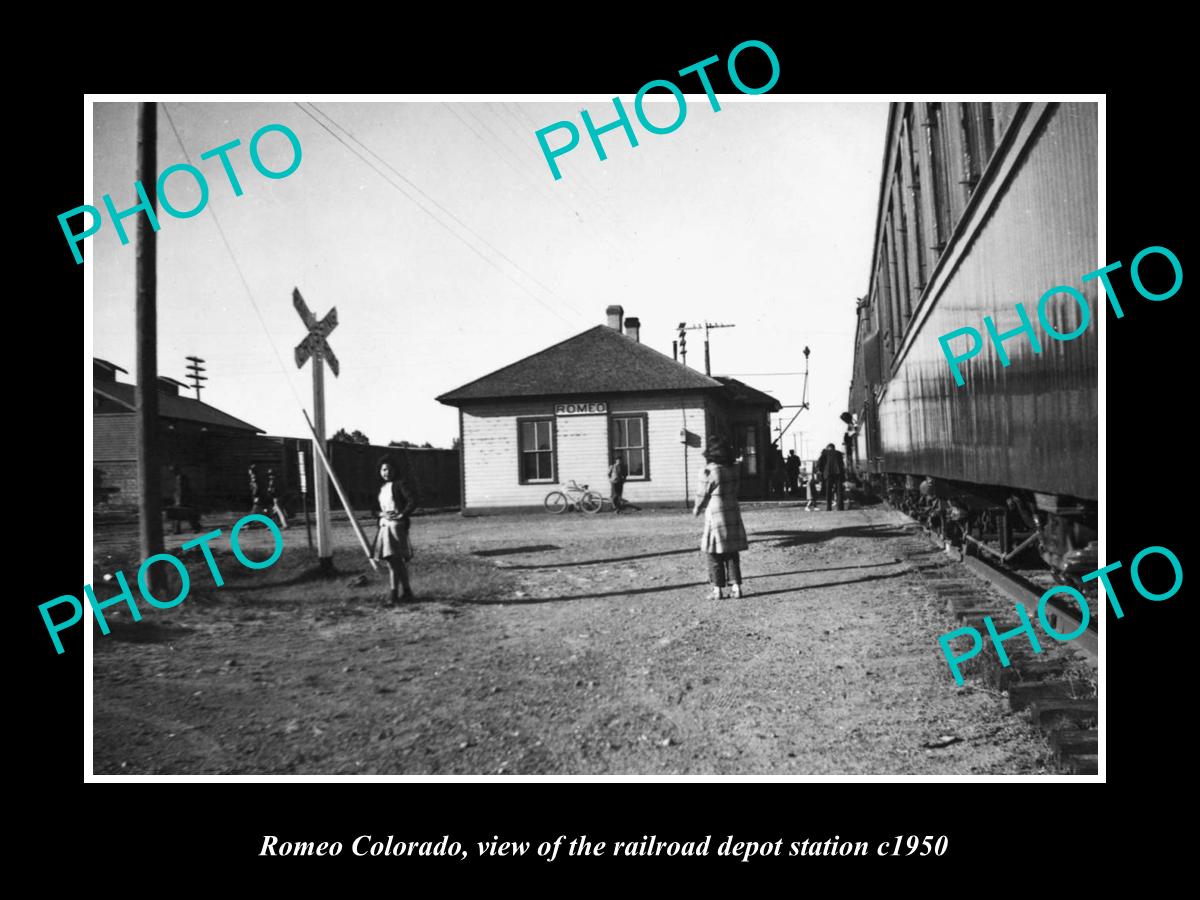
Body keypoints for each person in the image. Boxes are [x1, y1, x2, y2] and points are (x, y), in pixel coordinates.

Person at [693, 436, 749, 600]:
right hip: (732, 508)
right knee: (732, 552)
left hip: (716, 511)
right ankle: (737, 587)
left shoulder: (709, 471)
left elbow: (702, 494)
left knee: (714, 552)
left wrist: (697, 508)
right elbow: (737, 488)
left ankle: (717, 590)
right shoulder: (733, 469)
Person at [372, 455, 418, 605]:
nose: (386, 472)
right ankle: (407, 592)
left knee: (394, 561)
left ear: (395, 471)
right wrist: (381, 514)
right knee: (395, 562)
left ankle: (393, 596)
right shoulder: (380, 488)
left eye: (390, 469)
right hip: (384, 526)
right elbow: (373, 510)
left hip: (396, 527)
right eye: (384, 469)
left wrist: (402, 514)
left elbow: (412, 500)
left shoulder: (399, 484)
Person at [171, 465, 202, 533]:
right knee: (182, 514)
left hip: (183, 499)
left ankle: (195, 527)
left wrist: (179, 501)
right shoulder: (180, 477)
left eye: (173, 471)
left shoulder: (180, 478)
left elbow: (181, 490)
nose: (172, 473)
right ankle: (177, 529)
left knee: (183, 514)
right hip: (182, 499)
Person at [819, 442, 846, 511]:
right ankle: (840, 507)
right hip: (838, 473)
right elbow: (842, 465)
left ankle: (828, 507)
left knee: (828, 491)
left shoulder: (825, 453)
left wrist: (823, 472)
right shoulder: (838, 453)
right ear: (834, 448)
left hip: (828, 474)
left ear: (828, 447)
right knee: (839, 491)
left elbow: (819, 464)